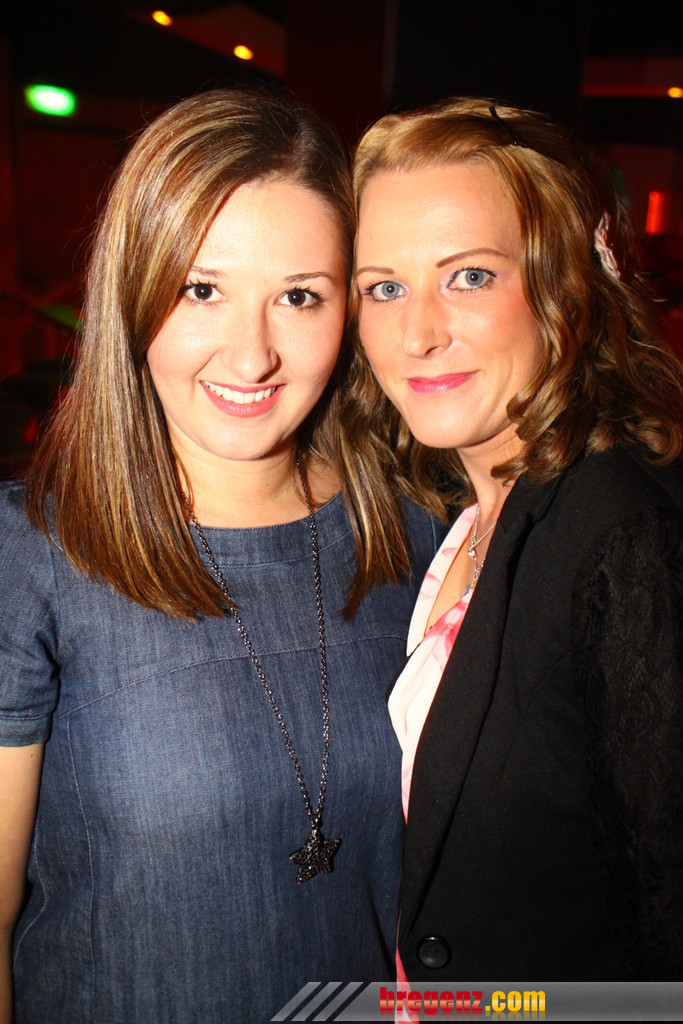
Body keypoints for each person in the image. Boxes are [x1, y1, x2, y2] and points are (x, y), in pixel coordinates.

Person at [0, 90, 444, 1024]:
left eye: (299, 296)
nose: (251, 358)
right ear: (133, 291)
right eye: (201, 290)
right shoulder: (30, 560)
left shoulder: (421, 536)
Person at [352, 97, 683, 981]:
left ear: (565, 285)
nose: (417, 334)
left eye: (468, 276)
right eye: (384, 287)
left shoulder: (625, 538)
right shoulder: (460, 514)